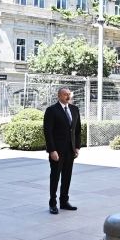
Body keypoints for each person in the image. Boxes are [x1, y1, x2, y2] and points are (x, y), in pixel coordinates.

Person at [43, 86, 81, 214]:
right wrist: (52, 150)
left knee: (67, 177)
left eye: (69, 94)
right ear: (59, 96)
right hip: (57, 151)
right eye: (65, 94)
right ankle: (52, 203)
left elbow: (77, 130)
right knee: (55, 177)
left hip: (70, 150)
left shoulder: (74, 109)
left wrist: (77, 147)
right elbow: (48, 132)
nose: (68, 96)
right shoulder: (52, 110)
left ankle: (64, 202)